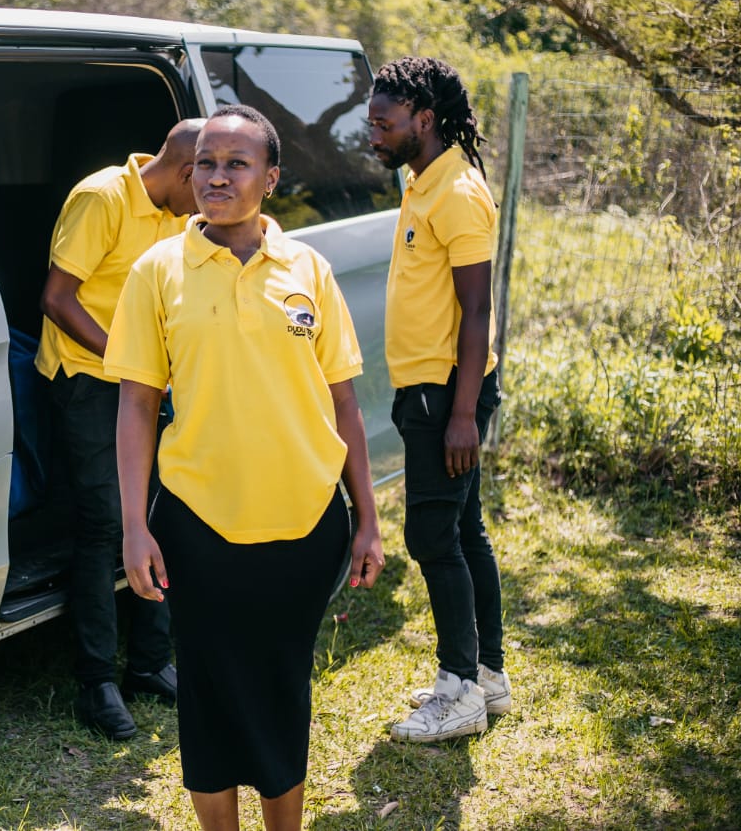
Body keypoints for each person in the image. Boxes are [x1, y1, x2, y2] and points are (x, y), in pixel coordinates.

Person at [107, 105, 385, 831]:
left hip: (307, 522)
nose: (217, 177)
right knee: (207, 690)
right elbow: (137, 404)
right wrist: (134, 526)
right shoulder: (156, 271)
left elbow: (343, 401)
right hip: (198, 523)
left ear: (272, 178)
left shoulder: (308, 269)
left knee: (281, 686)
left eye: (237, 163)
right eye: (205, 162)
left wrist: (367, 520)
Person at [35, 118, 205, 740]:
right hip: (88, 378)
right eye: (203, 183)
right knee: (106, 523)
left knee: (162, 515)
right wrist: (128, 361)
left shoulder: (176, 215)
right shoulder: (102, 197)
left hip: (146, 382)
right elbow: (58, 298)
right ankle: (96, 682)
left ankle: (150, 664)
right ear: (184, 172)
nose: (208, 198)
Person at [367, 56, 510, 743]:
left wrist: (461, 414)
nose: (373, 135)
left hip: (445, 394)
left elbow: (477, 310)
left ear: (423, 119)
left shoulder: (456, 191)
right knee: (463, 530)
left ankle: (458, 691)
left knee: (430, 534)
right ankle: (486, 675)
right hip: (427, 390)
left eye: (384, 123)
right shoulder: (423, 179)